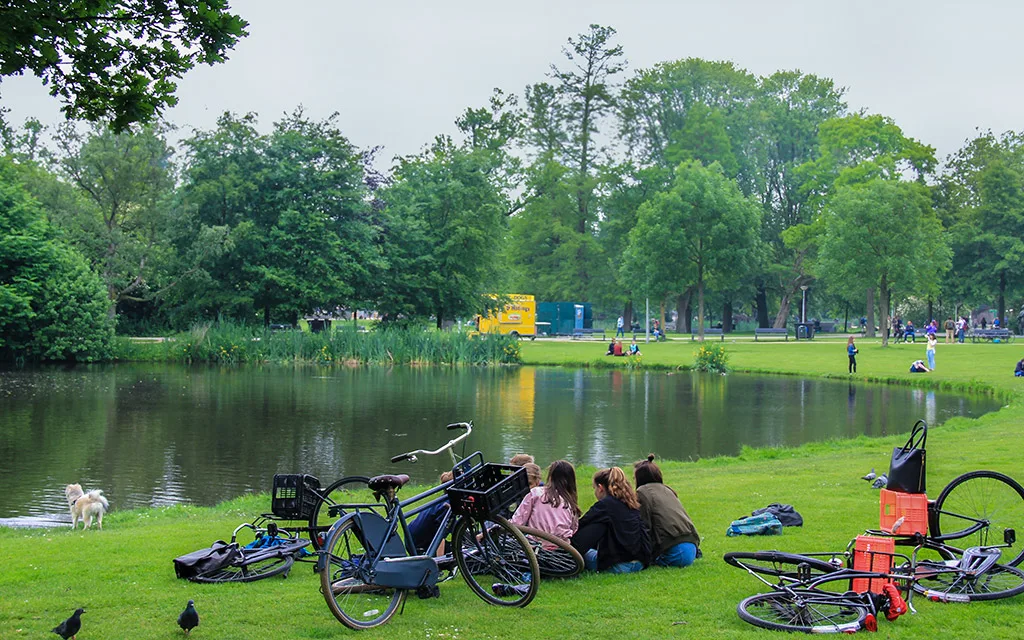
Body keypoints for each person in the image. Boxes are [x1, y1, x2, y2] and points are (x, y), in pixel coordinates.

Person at [571, 467, 651, 574]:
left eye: (594, 488)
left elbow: (582, 524)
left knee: (582, 553)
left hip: (618, 565)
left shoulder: (605, 505)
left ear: (600, 488)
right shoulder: (631, 503)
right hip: (639, 563)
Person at [633, 455, 700, 568]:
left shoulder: (642, 492)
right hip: (692, 547)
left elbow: (645, 527)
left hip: (674, 552)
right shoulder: (668, 490)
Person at [511, 460, 581, 547]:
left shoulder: (536, 493)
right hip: (562, 549)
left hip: (535, 548)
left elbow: (517, 522)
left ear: (550, 476)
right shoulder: (570, 502)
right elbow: (574, 529)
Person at [407, 471, 454, 555]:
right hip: (419, 545)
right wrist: (439, 561)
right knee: (460, 552)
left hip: (411, 538)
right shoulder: (447, 506)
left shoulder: (442, 499)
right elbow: (439, 535)